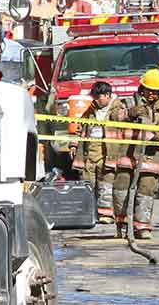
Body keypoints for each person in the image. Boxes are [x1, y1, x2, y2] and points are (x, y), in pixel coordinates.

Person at [109, 69, 159, 240]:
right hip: (127, 157)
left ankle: (142, 227)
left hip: (152, 159)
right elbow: (113, 116)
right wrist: (130, 113)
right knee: (121, 190)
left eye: (155, 91)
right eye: (149, 90)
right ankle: (122, 224)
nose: (151, 94)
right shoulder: (127, 102)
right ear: (142, 88)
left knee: (146, 191)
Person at [70, 81, 116, 223]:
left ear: (107, 95)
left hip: (108, 152)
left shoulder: (118, 109)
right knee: (87, 183)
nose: (95, 100)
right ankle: (88, 214)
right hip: (89, 153)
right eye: (94, 97)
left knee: (106, 184)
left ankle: (106, 214)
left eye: (98, 97)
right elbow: (79, 128)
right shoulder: (90, 111)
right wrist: (73, 144)